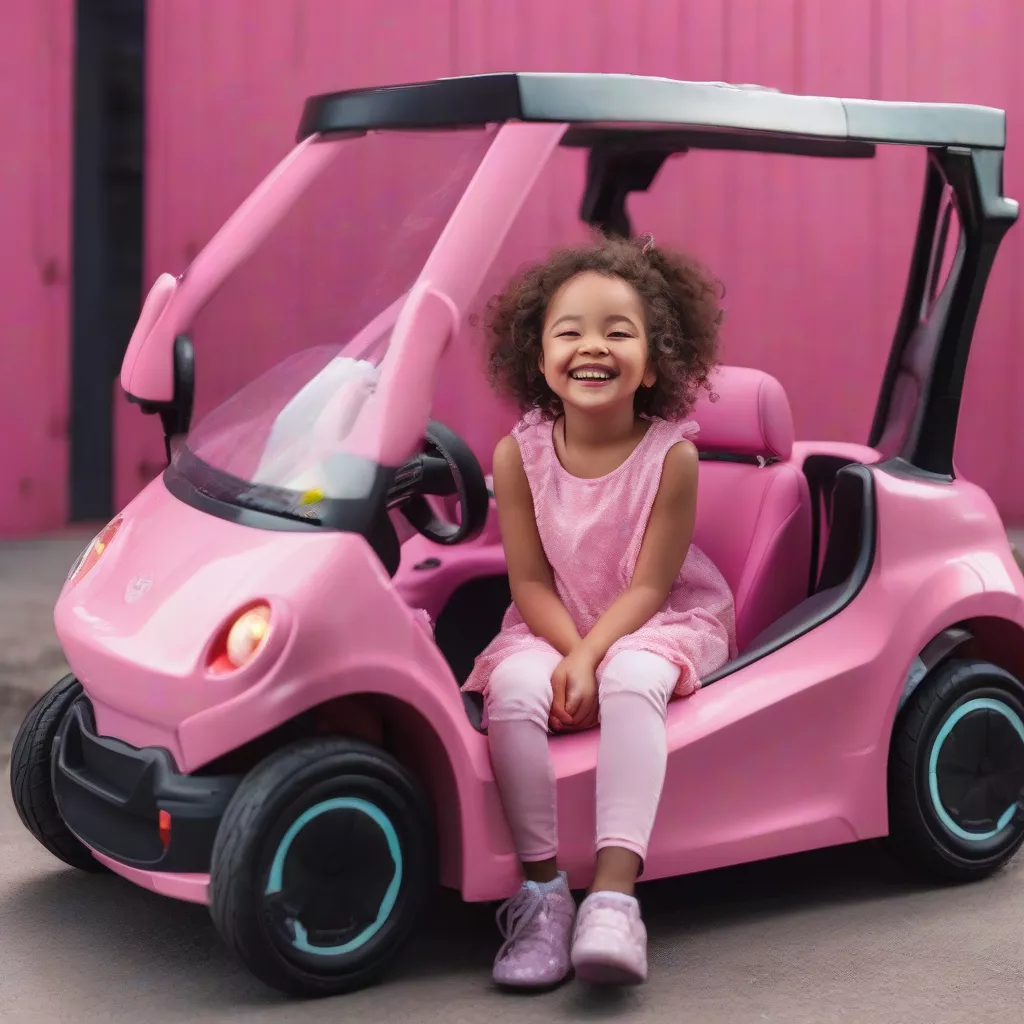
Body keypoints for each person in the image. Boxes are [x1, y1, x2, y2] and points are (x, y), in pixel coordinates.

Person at [461, 234, 737, 989]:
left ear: (653, 362)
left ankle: (614, 898)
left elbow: (651, 588)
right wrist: (568, 649)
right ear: (538, 355)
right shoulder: (518, 455)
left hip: (658, 617)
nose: (593, 346)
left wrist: (589, 657)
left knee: (630, 678)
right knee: (513, 691)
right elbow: (528, 580)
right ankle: (542, 894)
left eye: (619, 332)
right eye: (570, 330)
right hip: (555, 617)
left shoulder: (671, 457)